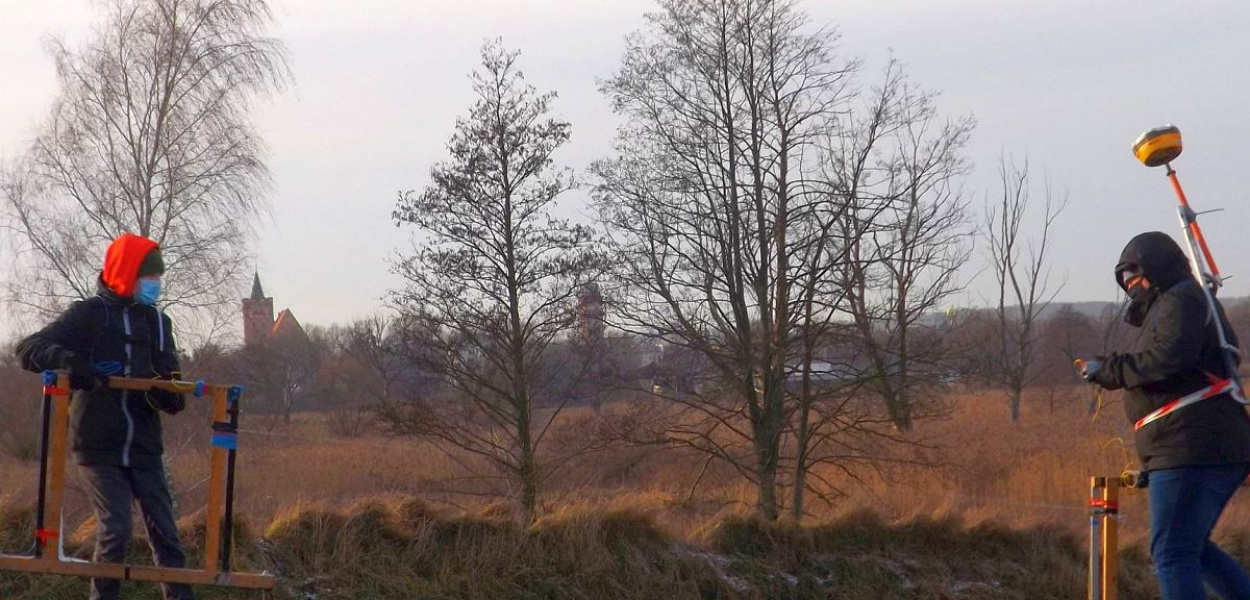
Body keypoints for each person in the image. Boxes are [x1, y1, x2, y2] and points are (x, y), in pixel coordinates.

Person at [15, 233, 194, 600]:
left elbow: (171, 375)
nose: (156, 285)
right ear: (128, 275)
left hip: (144, 446)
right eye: (150, 278)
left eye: (158, 279)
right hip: (98, 445)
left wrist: (170, 393)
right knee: (117, 528)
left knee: (167, 535)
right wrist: (72, 363)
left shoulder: (160, 324)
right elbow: (29, 348)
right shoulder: (89, 316)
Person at [1080, 231, 1250, 600]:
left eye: (1136, 276)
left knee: (1172, 554)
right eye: (1126, 281)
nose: (1133, 285)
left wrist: (1109, 370)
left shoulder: (1182, 299)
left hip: (1191, 446)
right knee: (1194, 549)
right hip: (1196, 445)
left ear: (1157, 268)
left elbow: (1167, 359)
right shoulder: (1179, 301)